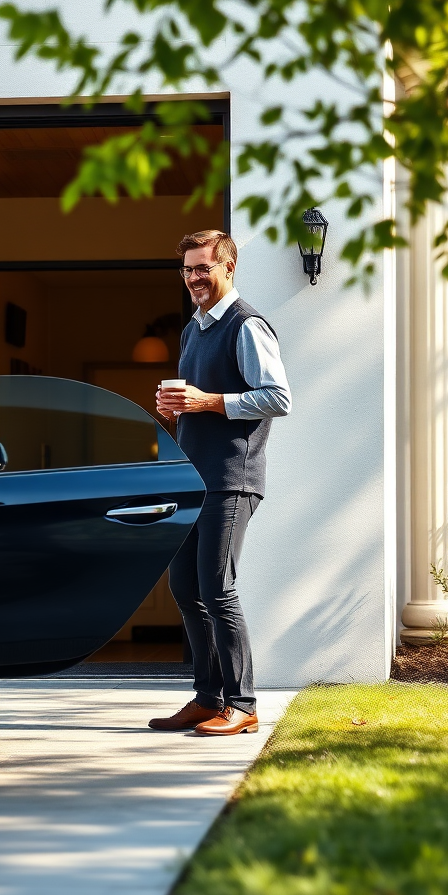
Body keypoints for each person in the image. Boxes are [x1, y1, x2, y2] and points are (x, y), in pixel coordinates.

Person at [150, 230, 291, 736]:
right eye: (187, 270)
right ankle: (208, 697)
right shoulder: (193, 329)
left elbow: (278, 397)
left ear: (227, 267)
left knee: (217, 588)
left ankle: (244, 704)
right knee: (185, 586)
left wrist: (209, 402)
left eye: (202, 268)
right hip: (194, 478)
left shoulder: (246, 325)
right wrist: (176, 409)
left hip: (232, 477)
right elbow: (198, 399)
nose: (193, 279)